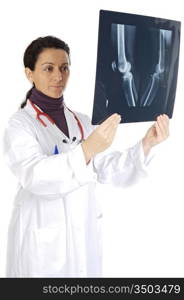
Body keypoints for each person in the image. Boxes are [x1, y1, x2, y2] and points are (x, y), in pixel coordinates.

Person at [3, 36, 169, 278]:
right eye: (48, 68)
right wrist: (87, 149)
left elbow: (105, 168)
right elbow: (35, 175)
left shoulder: (81, 121)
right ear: (29, 73)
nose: (58, 76)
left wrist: (146, 144)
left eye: (64, 68)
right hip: (43, 243)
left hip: (83, 237)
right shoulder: (19, 124)